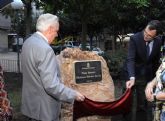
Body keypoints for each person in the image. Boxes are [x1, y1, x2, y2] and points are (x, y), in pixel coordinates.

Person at [21, 13, 85, 121]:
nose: (56, 35)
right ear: (50, 29)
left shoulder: (27, 42)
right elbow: (51, 85)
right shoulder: (45, 49)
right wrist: (73, 94)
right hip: (44, 111)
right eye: (56, 31)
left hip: (31, 107)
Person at [123, 20, 162, 121]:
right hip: (130, 73)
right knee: (127, 103)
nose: (146, 36)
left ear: (156, 36)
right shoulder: (134, 38)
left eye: (149, 35)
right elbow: (130, 59)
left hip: (145, 76)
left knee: (142, 104)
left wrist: (156, 80)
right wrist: (131, 77)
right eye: (145, 32)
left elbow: (155, 62)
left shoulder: (158, 41)